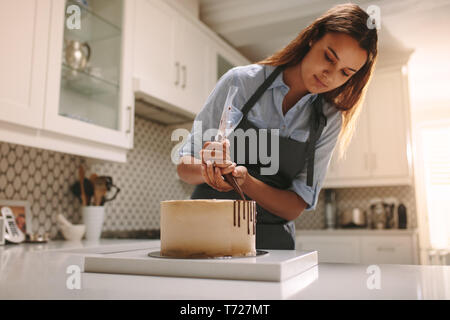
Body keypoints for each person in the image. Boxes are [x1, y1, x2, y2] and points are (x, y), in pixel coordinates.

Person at [176, 3, 378, 249]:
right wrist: (209, 171)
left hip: (271, 244)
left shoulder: (329, 119)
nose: (330, 75)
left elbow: (295, 206)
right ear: (313, 38)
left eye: (345, 73)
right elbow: (185, 167)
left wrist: (244, 180)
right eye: (329, 57)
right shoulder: (241, 82)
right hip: (204, 234)